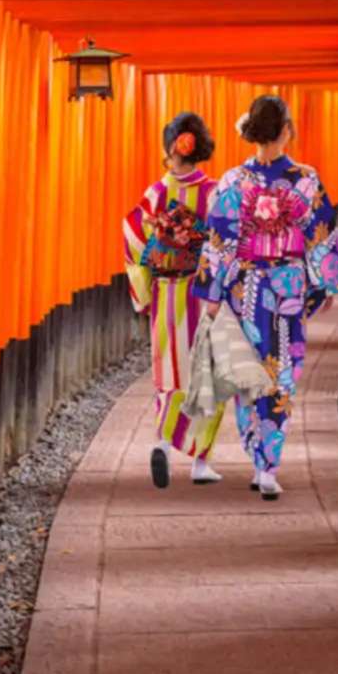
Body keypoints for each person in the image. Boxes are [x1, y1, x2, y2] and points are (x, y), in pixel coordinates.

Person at [193, 95, 338, 500]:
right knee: (281, 373)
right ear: (286, 130)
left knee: (250, 373)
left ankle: (257, 456)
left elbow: (219, 240)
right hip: (287, 286)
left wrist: (213, 292)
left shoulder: (232, 182)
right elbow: (321, 232)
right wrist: (325, 281)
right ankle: (268, 465)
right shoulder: (306, 179)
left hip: (246, 287)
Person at [122, 112, 227, 488]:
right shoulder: (214, 192)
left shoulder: (156, 193)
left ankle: (164, 443)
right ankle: (201, 462)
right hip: (204, 293)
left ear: (170, 148)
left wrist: (144, 289)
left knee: (170, 370)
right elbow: (223, 244)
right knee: (209, 373)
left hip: (167, 293)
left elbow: (133, 238)